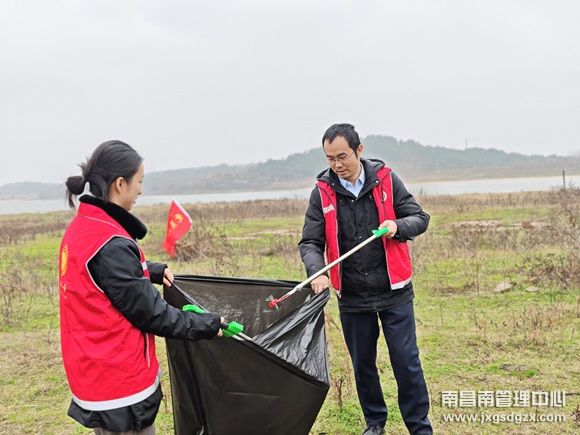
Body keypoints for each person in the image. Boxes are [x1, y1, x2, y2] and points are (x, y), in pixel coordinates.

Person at [59, 140, 223, 435]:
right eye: (139, 181)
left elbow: (105, 278)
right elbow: (152, 314)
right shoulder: (111, 244)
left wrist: (151, 270)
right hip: (119, 382)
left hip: (93, 370)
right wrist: (208, 324)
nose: (140, 190)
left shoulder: (84, 228)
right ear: (120, 184)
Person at [299, 124, 432, 435]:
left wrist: (397, 226)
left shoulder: (386, 180)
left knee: (406, 363)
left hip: (394, 291)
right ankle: (375, 423)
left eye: (342, 156)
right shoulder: (322, 192)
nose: (337, 164)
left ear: (359, 150)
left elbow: (420, 218)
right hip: (353, 296)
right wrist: (318, 272)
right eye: (330, 158)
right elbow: (310, 242)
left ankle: (419, 427)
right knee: (363, 365)